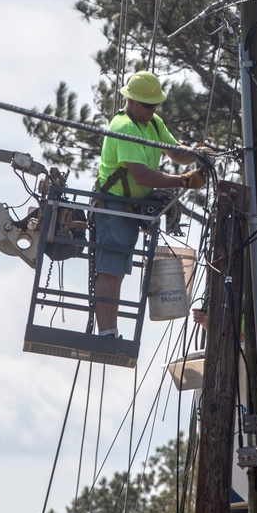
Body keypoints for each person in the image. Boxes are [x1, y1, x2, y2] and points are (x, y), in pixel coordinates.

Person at [93, 71, 206, 338]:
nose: (151, 110)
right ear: (131, 101)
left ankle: (110, 330)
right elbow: (142, 175)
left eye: (154, 105)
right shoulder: (124, 127)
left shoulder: (152, 123)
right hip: (113, 206)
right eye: (146, 105)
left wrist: (198, 153)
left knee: (117, 271)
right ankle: (106, 332)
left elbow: (175, 153)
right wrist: (184, 181)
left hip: (129, 206)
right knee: (110, 271)